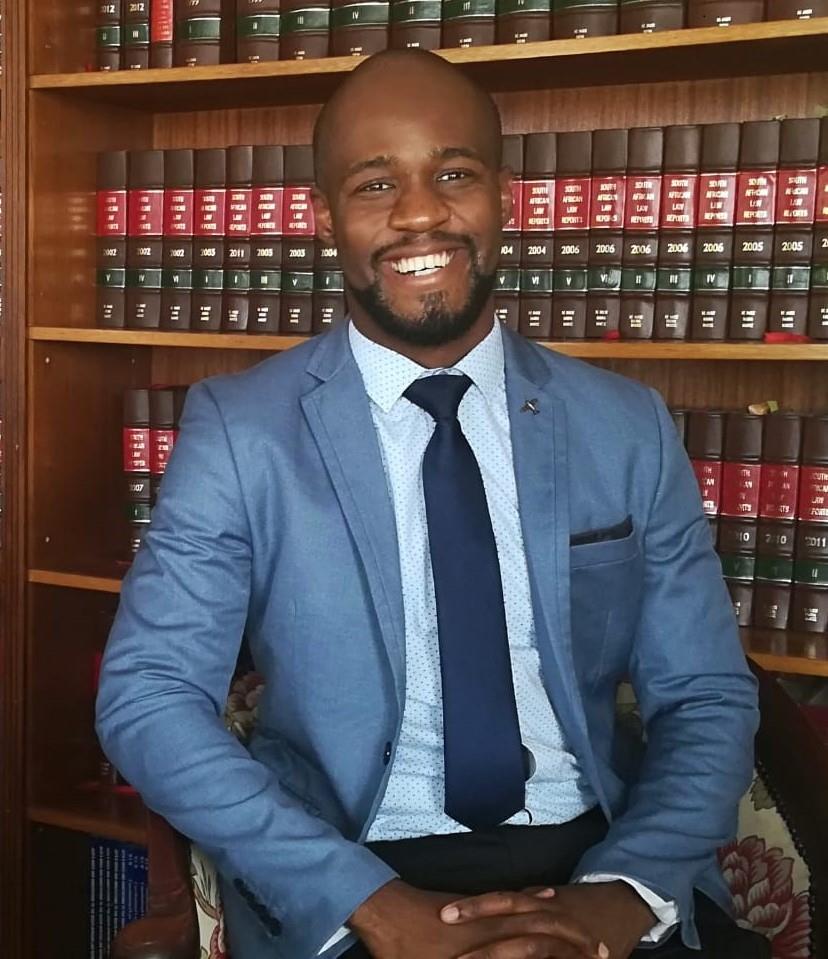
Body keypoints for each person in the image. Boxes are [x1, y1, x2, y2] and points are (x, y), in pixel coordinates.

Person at [96, 49, 768, 959]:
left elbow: (704, 693)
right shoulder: (240, 431)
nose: (420, 213)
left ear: (506, 198)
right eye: (375, 184)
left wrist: (624, 892)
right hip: (350, 863)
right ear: (323, 218)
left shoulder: (626, 426)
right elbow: (149, 695)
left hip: (592, 856)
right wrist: (369, 904)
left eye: (454, 174)